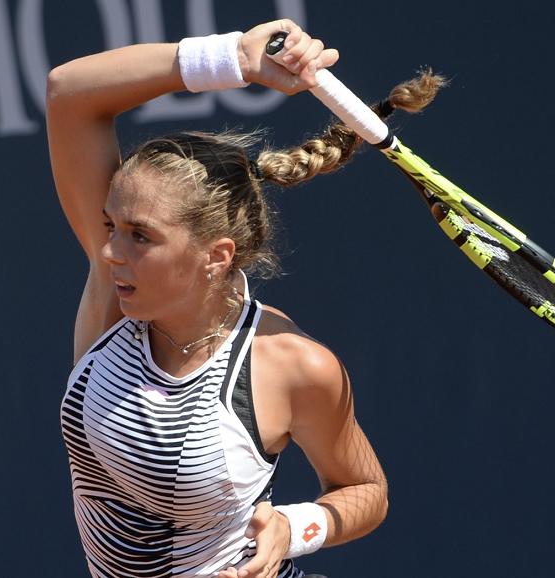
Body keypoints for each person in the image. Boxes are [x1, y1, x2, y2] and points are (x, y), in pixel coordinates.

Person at [47, 18, 442, 578]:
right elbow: (69, 92)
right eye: (110, 225)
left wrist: (296, 526)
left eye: (140, 235)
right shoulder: (114, 290)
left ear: (216, 255)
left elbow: (366, 489)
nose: (111, 250)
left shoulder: (292, 364)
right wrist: (233, 57)